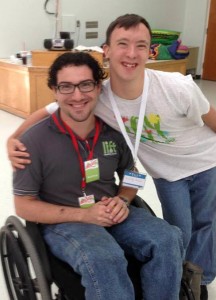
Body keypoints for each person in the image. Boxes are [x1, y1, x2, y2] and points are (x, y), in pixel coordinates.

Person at [7, 13, 216, 299]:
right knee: (105, 257)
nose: (77, 95)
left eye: (85, 85)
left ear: (98, 88)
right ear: (54, 91)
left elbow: (133, 173)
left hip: (116, 208)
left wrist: (123, 199)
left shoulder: (113, 128)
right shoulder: (33, 142)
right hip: (67, 220)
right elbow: (24, 206)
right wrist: (12, 139)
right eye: (66, 87)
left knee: (170, 237)